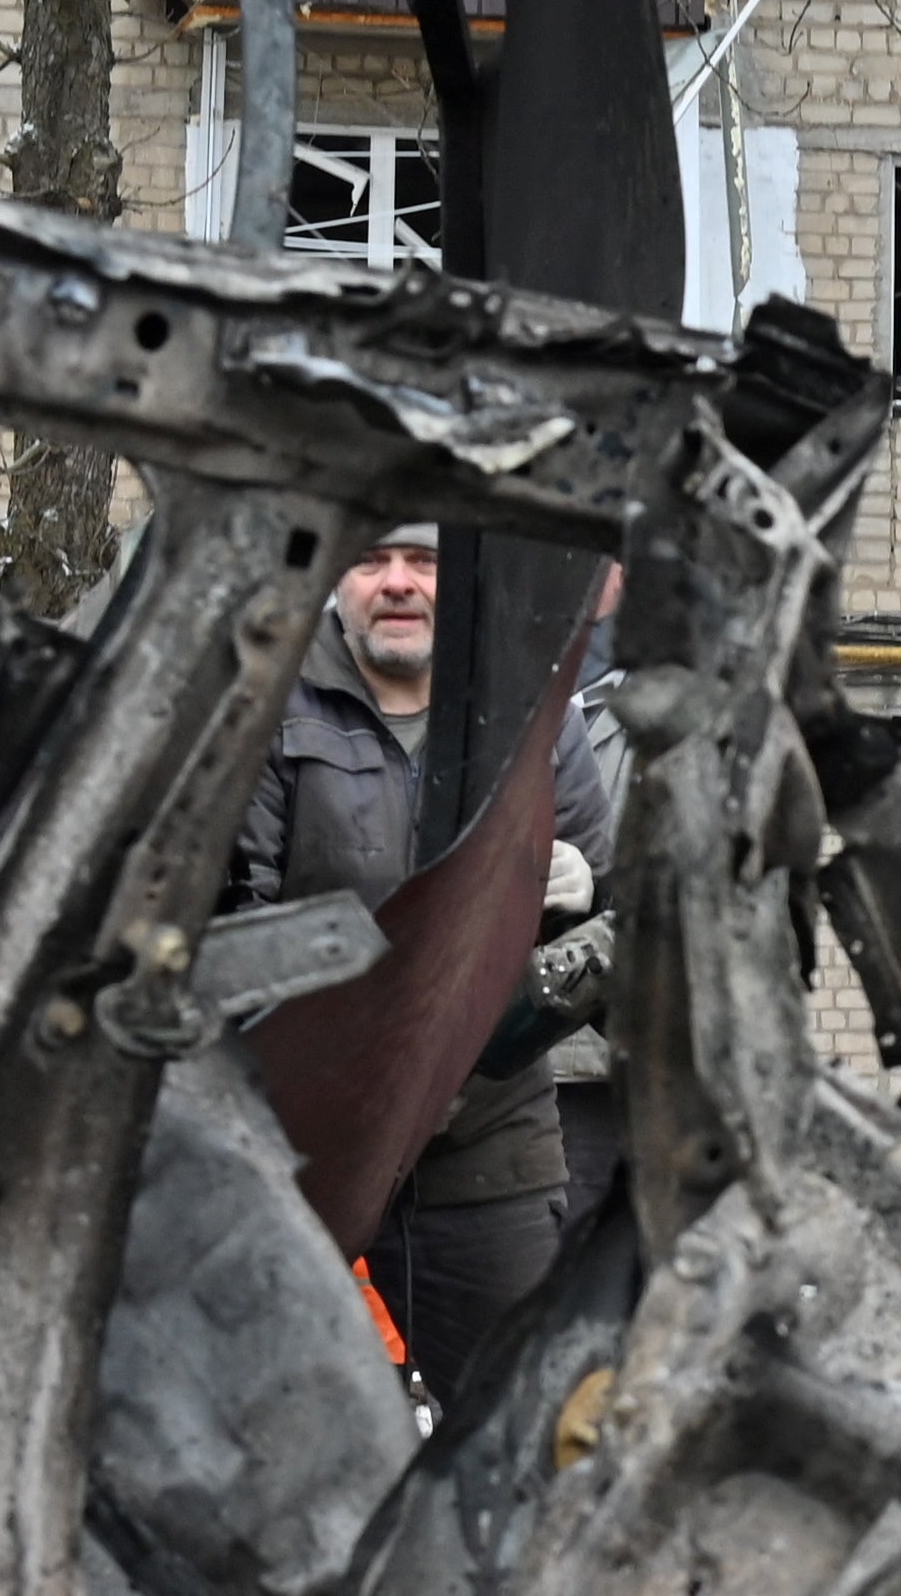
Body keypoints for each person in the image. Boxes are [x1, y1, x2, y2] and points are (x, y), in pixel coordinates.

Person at [234, 523, 619, 1396]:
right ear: (336, 577)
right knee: (274, 1416)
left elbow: (617, 913)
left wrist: (580, 902)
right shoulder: (270, 705)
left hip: (487, 1135)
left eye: (424, 561)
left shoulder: (531, 717)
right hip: (305, 1136)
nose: (398, 583)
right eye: (372, 560)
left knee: (519, 1413)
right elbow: (236, 919)